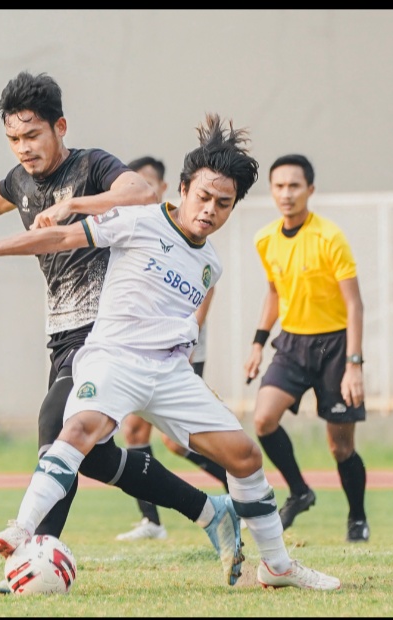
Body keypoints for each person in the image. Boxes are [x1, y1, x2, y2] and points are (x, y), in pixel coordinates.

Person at [0, 71, 244, 590]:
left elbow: (141, 192)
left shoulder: (91, 165)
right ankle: (210, 511)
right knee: (95, 455)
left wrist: (72, 204)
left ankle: (30, 554)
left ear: (59, 127)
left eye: (32, 136)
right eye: (13, 139)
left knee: (53, 426)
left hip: (106, 330)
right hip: (62, 331)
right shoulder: (22, 182)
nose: (23, 149)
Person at [0, 113, 341, 591]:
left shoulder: (211, 264)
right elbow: (58, 237)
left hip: (170, 374)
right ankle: (23, 528)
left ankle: (276, 566)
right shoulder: (138, 221)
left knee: (246, 458)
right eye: (203, 196)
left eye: (223, 204)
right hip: (115, 359)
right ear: (184, 189)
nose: (209, 209)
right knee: (79, 428)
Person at [243, 153, 370, 543]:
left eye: (294, 186)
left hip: (335, 346)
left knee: (340, 446)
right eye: (279, 186)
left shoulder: (329, 237)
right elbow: (274, 294)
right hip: (293, 345)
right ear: (271, 190)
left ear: (310, 190)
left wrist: (353, 364)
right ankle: (299, 491)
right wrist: (258, 344)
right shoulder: (265, 239)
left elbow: (354, 304)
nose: (286, 194)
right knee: (263, 419)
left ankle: (357, 518)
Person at [116, 155, 231, 542]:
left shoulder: (190, 234)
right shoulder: (137, 227)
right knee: (134, 431)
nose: (140, 192)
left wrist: (189, 339)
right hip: (137, 350)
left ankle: (237, 489)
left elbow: (203, 290)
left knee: (176, 442)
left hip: (180, 350)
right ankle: (152, 522)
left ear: (167, 189)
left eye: (147, 185)